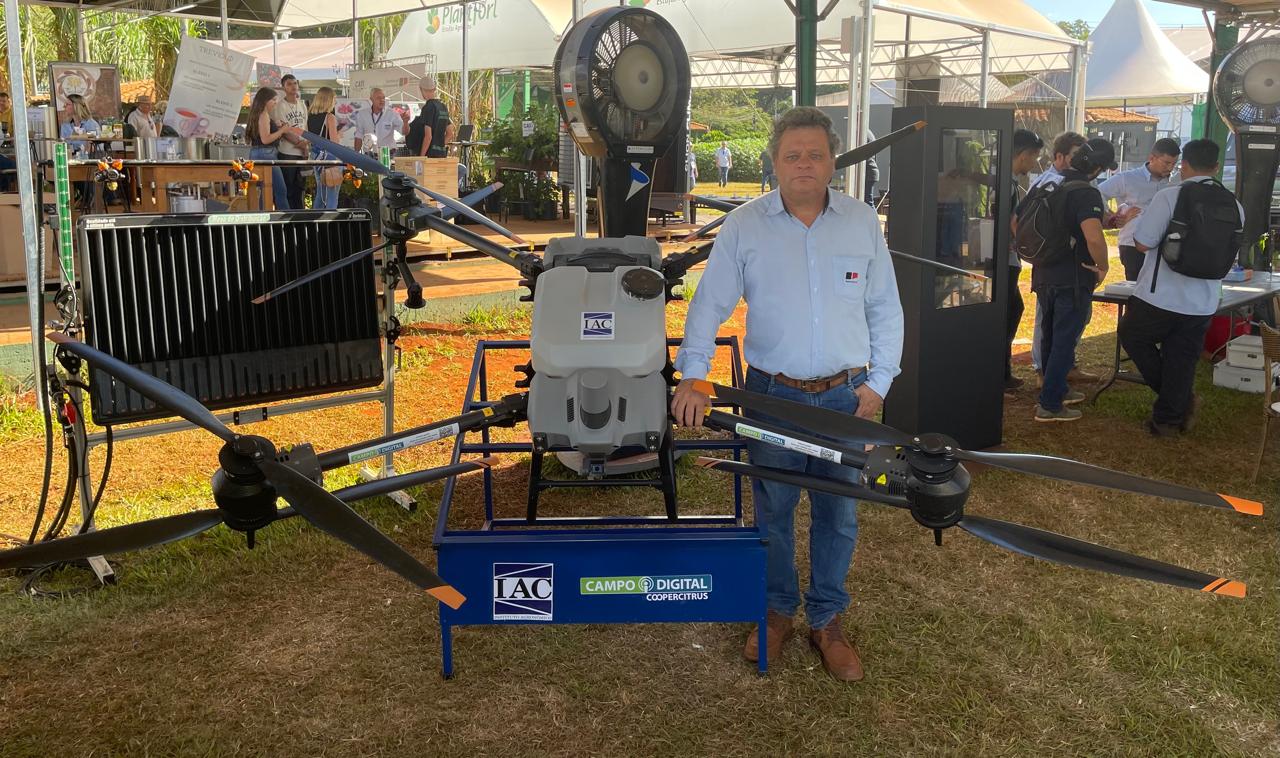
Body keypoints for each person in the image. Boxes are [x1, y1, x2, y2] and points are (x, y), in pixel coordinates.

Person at [671, 107, 903, 682]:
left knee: (839, 513)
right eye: (792, 155)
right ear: (773, 163)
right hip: (771, 397)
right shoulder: (745, 226)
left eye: (816, 154)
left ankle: (827, 620)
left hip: (846, 400)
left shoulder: (861, 224)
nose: (804, 164)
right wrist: (694, 376)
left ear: (833, 161)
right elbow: (710, 305)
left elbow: (885, 308)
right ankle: (776, 611)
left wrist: (879, 382)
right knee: (773, 511)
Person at [1119, 140, 1243, 436]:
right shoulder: (1234, 205)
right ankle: (1168, 421)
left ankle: (1180, 401)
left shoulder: (1170, 197)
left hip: (1161, 293)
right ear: (1215, 167)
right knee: (1183, 357)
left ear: (1183, 164)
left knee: (1133, 335)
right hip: (1203, 298)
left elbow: (1143, 242)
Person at [1017, 137, 1115, 422]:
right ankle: (1050, 405)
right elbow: (1094, 236)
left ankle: (1054, 388)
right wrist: (1103, 265)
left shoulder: (1049, 183)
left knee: (1050, 335)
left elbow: (1017, 219)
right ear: (1097, 168)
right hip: (1072, 275)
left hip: (1044, 272)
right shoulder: (1085, 192)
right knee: (1064, 339)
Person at [1028, 131, 1098, 384]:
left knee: (1061, 326)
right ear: (1060, 156)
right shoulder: (1049, 182)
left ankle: (1061, 370)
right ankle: (1045, 376)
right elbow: (1021, 222)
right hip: (1062, 269)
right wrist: (1047, 250)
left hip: (1057, 268)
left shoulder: (1073, 183)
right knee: (1053, 326)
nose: (1086, 160)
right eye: (1078, 155)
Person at [1099, 137, 1180, 280]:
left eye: (1174, 164)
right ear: (1152, 158)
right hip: (1132, 244)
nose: (1170, 168)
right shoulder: (1128, 178)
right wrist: (1112, 217)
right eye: (1166, 163)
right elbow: (1097, 193)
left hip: (1164, 246)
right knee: (1135, 290)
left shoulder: (1176, 181)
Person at [1004, 129, 1045, 391]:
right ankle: (1001, 372)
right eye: (1035, 157)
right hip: (1005, 261)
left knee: (1011, 311)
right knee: (1010, 313)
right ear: (1024, 155)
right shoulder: (1007, 184)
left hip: (1005, 259)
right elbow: (1012, 223)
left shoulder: (1002, 180)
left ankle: (1002, 370)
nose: (1035, 163)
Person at [246, 87, 297, 211]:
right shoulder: (263, 115)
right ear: (265, 100)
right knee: (280, 189)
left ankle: (264, 215)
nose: (275, 102)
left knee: (265, 189)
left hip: (257, 153)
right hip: (266, 154)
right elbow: (266, 139)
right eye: (273, 100)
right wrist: (282, 130)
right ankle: (285, 217)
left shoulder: (257, 115)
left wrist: (276, 124)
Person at [271, 74, 310, 210]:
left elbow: (305, 126)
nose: (293, 86)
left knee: (300, 188)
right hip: (287, 152)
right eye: (289, 84)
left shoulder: (302, 104)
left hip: (302, 152)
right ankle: (288, 216)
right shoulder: (280, 106)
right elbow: (283, 129)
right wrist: (298, 142)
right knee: (288, 188)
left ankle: (300, 215)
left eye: (294, 83)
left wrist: (305, 145)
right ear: (284, 87)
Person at [307, 86, 340, 210]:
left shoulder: (310, 117)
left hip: (316, 155)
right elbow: (334, 142)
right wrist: (339, 135)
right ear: (328, 100)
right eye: (334, 98)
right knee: (332, 192)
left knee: (321, 192)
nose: (335, 102)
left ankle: (316, 220)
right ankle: (330, 221)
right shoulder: (329, 117)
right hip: (329, 156)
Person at [407, 76, 454, 158]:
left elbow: (428, 136)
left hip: (429, 155)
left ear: (422, 90)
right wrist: (440, 146)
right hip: (441, 155)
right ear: (434, 89)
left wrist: (421, 156)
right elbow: (450, 133)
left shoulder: (428, 107)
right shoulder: (443, 107)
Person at [353, 87, 409, 154]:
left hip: (388, 153)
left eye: (383, 98)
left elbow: (404, 132)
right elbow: (358, 136)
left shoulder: (392, 114)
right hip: (370, 154)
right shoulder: (362, 115)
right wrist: (356, 155)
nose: (382, 100)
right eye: (378, 98)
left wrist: (405, 122)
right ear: (371, 99)